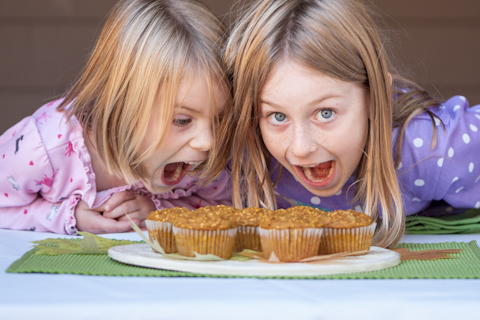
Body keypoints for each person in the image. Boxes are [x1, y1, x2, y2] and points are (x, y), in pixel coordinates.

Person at [224, 0, 480, 247]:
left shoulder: (431, 148)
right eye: (277, 116)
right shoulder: (239, 156)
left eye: (325, 113)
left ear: (374, 97)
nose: (301, 148)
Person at [0, 0, 232, 235]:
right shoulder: (43, 149)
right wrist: (68, 217)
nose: (208, 142)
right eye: (182, 120)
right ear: (123, 102)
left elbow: (229, 207)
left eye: (219, 119)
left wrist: (159, 211)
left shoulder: (195, 164)